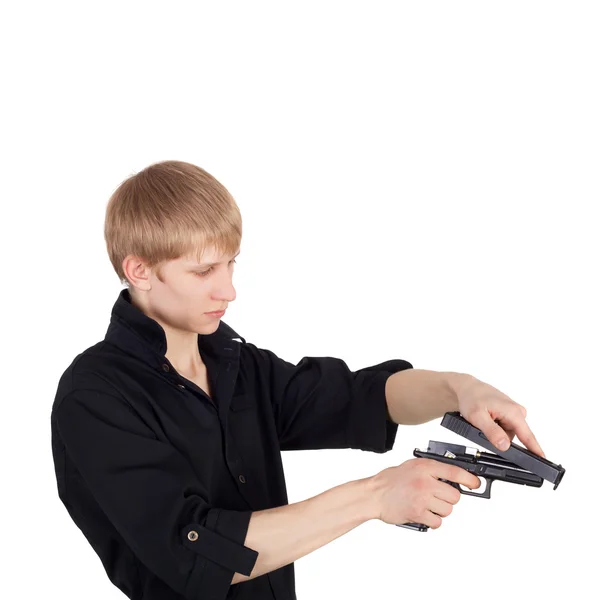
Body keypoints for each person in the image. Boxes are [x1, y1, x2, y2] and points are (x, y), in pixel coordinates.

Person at [50, 160, 546, 600]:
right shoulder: (94, 397)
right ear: (138, 270)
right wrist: (374, 496)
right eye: (203, 271)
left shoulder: (240, 366)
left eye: (230, 263)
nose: (229, 289)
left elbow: (360, 398)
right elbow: (197, 554)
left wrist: (458, 389)